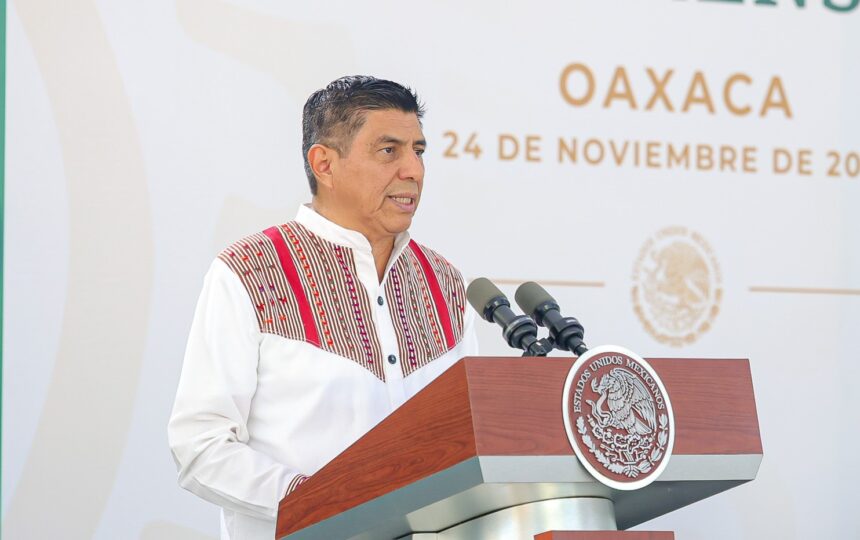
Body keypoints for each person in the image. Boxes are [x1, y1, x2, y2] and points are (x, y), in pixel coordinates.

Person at [168, 75, 479, 540]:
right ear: (324, 164)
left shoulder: (446, 285)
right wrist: (322, 499)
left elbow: (471, 441)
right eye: (389, 151)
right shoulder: (250, 272)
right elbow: (201, 444)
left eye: (418, 151)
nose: (413, 170)